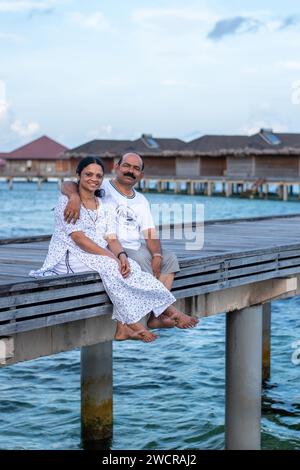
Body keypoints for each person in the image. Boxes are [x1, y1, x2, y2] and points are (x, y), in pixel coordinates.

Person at [29, 157, 198, 343]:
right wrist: (113, 258)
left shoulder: (103, 204)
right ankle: (138, 321)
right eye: (88, 174)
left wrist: (122, 256)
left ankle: (131, 325)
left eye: (98, 176)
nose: (94, 179)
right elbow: (79, 239)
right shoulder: (69, 201)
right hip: (70, 255)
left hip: (96, 254)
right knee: (113, 266)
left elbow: (111, 237)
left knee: (130, 266)